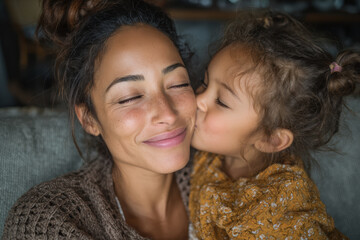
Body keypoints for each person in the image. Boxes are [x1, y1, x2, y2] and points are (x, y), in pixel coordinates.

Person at [2, 0, 197, 239]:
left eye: (178, 84)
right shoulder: (48, 222)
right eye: (130, 97)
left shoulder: (228, 174)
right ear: (89, 119)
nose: (167, 113)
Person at [189, 10, 359, 239]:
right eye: (204, 82)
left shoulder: (280, 216)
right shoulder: (213, 154)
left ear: (270, 139)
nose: (197, 99)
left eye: (221, 101)